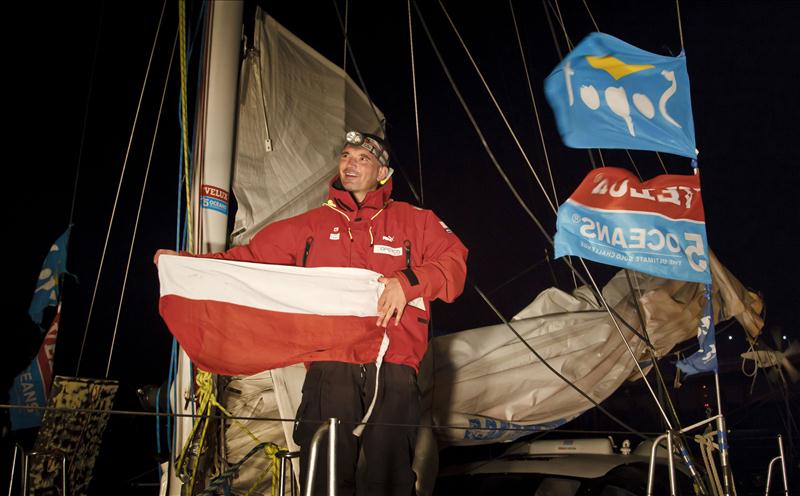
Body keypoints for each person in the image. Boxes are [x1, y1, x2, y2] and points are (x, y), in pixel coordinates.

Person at [154, 131, 467, 495]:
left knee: (390, 472)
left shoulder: (417, 221)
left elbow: (454, 265)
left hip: (395, 364)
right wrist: (188, 265)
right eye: (346, 156)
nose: (349, 163)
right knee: (325, 469)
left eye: (361, 158)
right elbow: (249, 261)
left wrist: (408, 282)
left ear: (383, 172)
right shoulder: (310, 226)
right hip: (330, 362)